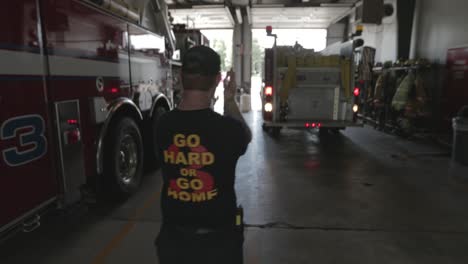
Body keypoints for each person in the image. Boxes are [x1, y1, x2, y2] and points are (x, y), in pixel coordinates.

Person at [154, 45, 252, 264]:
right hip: (219, 245)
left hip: (174, 243)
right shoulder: (228, 129)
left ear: (180, 76)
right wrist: (229, 100)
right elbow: (246, 137)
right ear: (217, 79)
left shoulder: (163, 124)